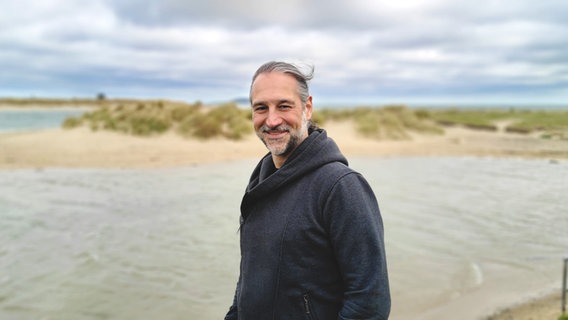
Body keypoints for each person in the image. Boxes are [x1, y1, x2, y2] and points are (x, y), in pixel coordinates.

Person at [225, 61, 390, 319]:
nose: (272, 120)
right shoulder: (260, 180)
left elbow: (369, 302)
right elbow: (250, 275)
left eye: (284, 106)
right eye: (261, 108)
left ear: (307, 107)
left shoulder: (341, 187)